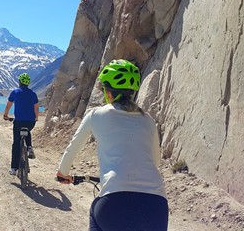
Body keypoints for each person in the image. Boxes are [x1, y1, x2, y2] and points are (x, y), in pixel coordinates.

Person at [56, 59, 168, 231]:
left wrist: (63, 173)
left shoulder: (96, 115)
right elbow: (155, 161)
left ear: (108, 93)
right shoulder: (149, 121)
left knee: (96, 211)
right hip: (156, 206)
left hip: (114, 204)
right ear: (132, 93)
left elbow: (72, 148)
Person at [3, 73, 39, 175]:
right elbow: (36, 108)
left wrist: (5, 115)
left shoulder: (15, 92)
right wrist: (36, 118)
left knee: (16, 144)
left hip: (18, 122)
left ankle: (14, 168)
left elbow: (9, 105)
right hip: (31, 122)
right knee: (27, 130)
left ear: (19, 82)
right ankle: (29, 147)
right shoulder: (33, 94)